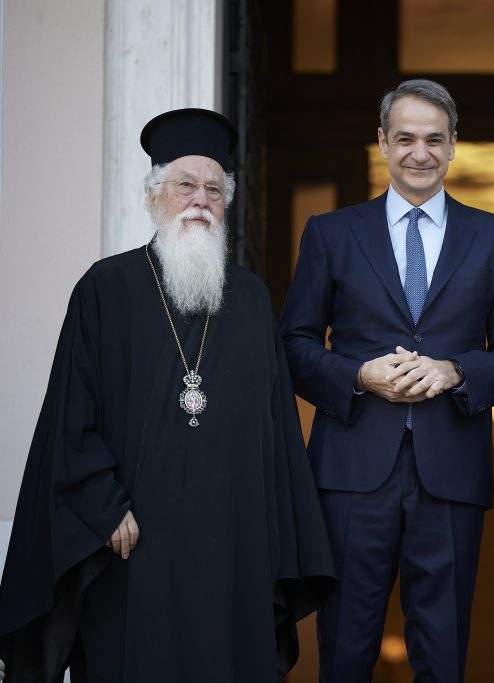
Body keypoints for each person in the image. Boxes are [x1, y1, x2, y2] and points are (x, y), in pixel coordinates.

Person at [0, 108, 335, 681]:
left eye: (214, 189)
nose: (200, 200)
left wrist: (271, 536)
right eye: (185, 185)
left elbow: (277, 433)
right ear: (155, 195)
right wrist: (104, 507)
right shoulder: (104, 289)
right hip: (133, 543)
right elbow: (70, 414)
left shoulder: (251, 299)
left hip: (231, 548)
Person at [280, 79, 494, 681]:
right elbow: (293, 345)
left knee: (442, 655)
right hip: (351, 471)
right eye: (406, 139)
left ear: (454, 145)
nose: (421, 153)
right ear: (383, 142)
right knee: (345, 650)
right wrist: (358, 375)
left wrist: (455, 370)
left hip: (451, 472)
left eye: (434, 140)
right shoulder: (331, 233)